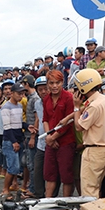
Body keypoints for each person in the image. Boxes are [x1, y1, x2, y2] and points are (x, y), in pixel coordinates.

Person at [67, 69, 105, 198]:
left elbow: (79, 126)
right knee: (97, 188)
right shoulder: (103, 100)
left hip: (94, 149)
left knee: (89, 190)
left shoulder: (94, 106)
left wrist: (75, 107)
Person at [42, 70, 75, 198]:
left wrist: (52, 137)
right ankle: (47, 202)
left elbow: (68, 122)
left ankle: (66, 204)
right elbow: (45, 119)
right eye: (51, 83)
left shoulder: (68, 98)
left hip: (66, 142)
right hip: (51, 140)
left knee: (66, 175)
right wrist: (48, 136)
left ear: (62, 83)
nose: (54, 86)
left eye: (58, 82)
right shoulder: (46, 99)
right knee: (49, 174)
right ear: (48, 84)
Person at [0, 83, 35, 199]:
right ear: (12, 93)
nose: (21, 96)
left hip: (19, 139)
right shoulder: (6, 107)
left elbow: (19, 123)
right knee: (13, 167)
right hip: (10, 141)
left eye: (22, 93)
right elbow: (7, 127)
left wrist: (27, 126)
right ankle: (5, 189)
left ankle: (10, 188)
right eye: (19, 93)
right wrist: (14, 142)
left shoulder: (19, 106)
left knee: (16, 167)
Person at [21, 75, 39, 197]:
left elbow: (37, 118)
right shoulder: (30, 98)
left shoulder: (34, 99)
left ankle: (33, 189)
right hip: (29, 134)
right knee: (29, 163)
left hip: (33, 135)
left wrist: (32, 136)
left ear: (27, 84)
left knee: (32, 164)